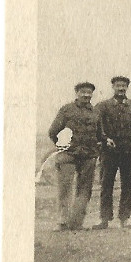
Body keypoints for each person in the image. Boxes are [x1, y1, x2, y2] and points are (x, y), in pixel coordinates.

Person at [93, 76, 131, 230]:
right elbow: (94, 124)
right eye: (118, 85)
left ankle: (124, 219)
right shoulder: (103, 106)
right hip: (109, 151)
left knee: (128, 185)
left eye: (124, 86)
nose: (121, 88)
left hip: (129, 151)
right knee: (106, 184)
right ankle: (104, 219)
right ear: (112, 87)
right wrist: (104, 139)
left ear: (127, 88)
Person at [48, 82, 104, 230]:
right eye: (83, 92)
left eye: (89, 92)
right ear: (77, 93)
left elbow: (100, 134)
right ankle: (63, 222)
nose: (86, 95)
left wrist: (102, 142)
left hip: (88, 156)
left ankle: (77, 223)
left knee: (85, 190)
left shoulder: (95, 112)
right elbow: (53, 131)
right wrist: (63, 146)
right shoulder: (66, 110)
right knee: (65, 188)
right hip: (68, 155)